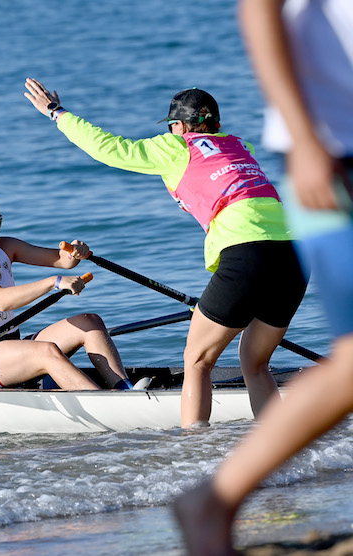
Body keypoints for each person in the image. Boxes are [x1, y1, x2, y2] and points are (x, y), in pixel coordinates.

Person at [174, 0, 353, 553]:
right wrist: (306, 140)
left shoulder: (193, 147)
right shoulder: (229, 146)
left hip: (279, 226)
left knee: (218, 360)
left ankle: (210, 488)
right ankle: (212, 492)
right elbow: (260, 10)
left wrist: (60, 116)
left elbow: (109, 147)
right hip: (334, 160)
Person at [24, 78, 307, 427]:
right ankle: (283, 446)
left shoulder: (177, 147)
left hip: (247, 254)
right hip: (294, 257)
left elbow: (108, 148)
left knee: (197, 360)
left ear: (182, 126)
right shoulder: (238, 145)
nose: (172, 131)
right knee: (254, 360)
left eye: (173, 125)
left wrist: (56, 113)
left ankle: (192, 454)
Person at [0, 189, 132, 390]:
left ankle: (125, 389)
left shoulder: (5, 246)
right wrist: (54, 282)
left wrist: (76, 253)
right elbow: (1, 300)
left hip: (9, 346)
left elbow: (61, 260)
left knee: (90, 322)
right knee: (46, 352)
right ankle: (104, 405)